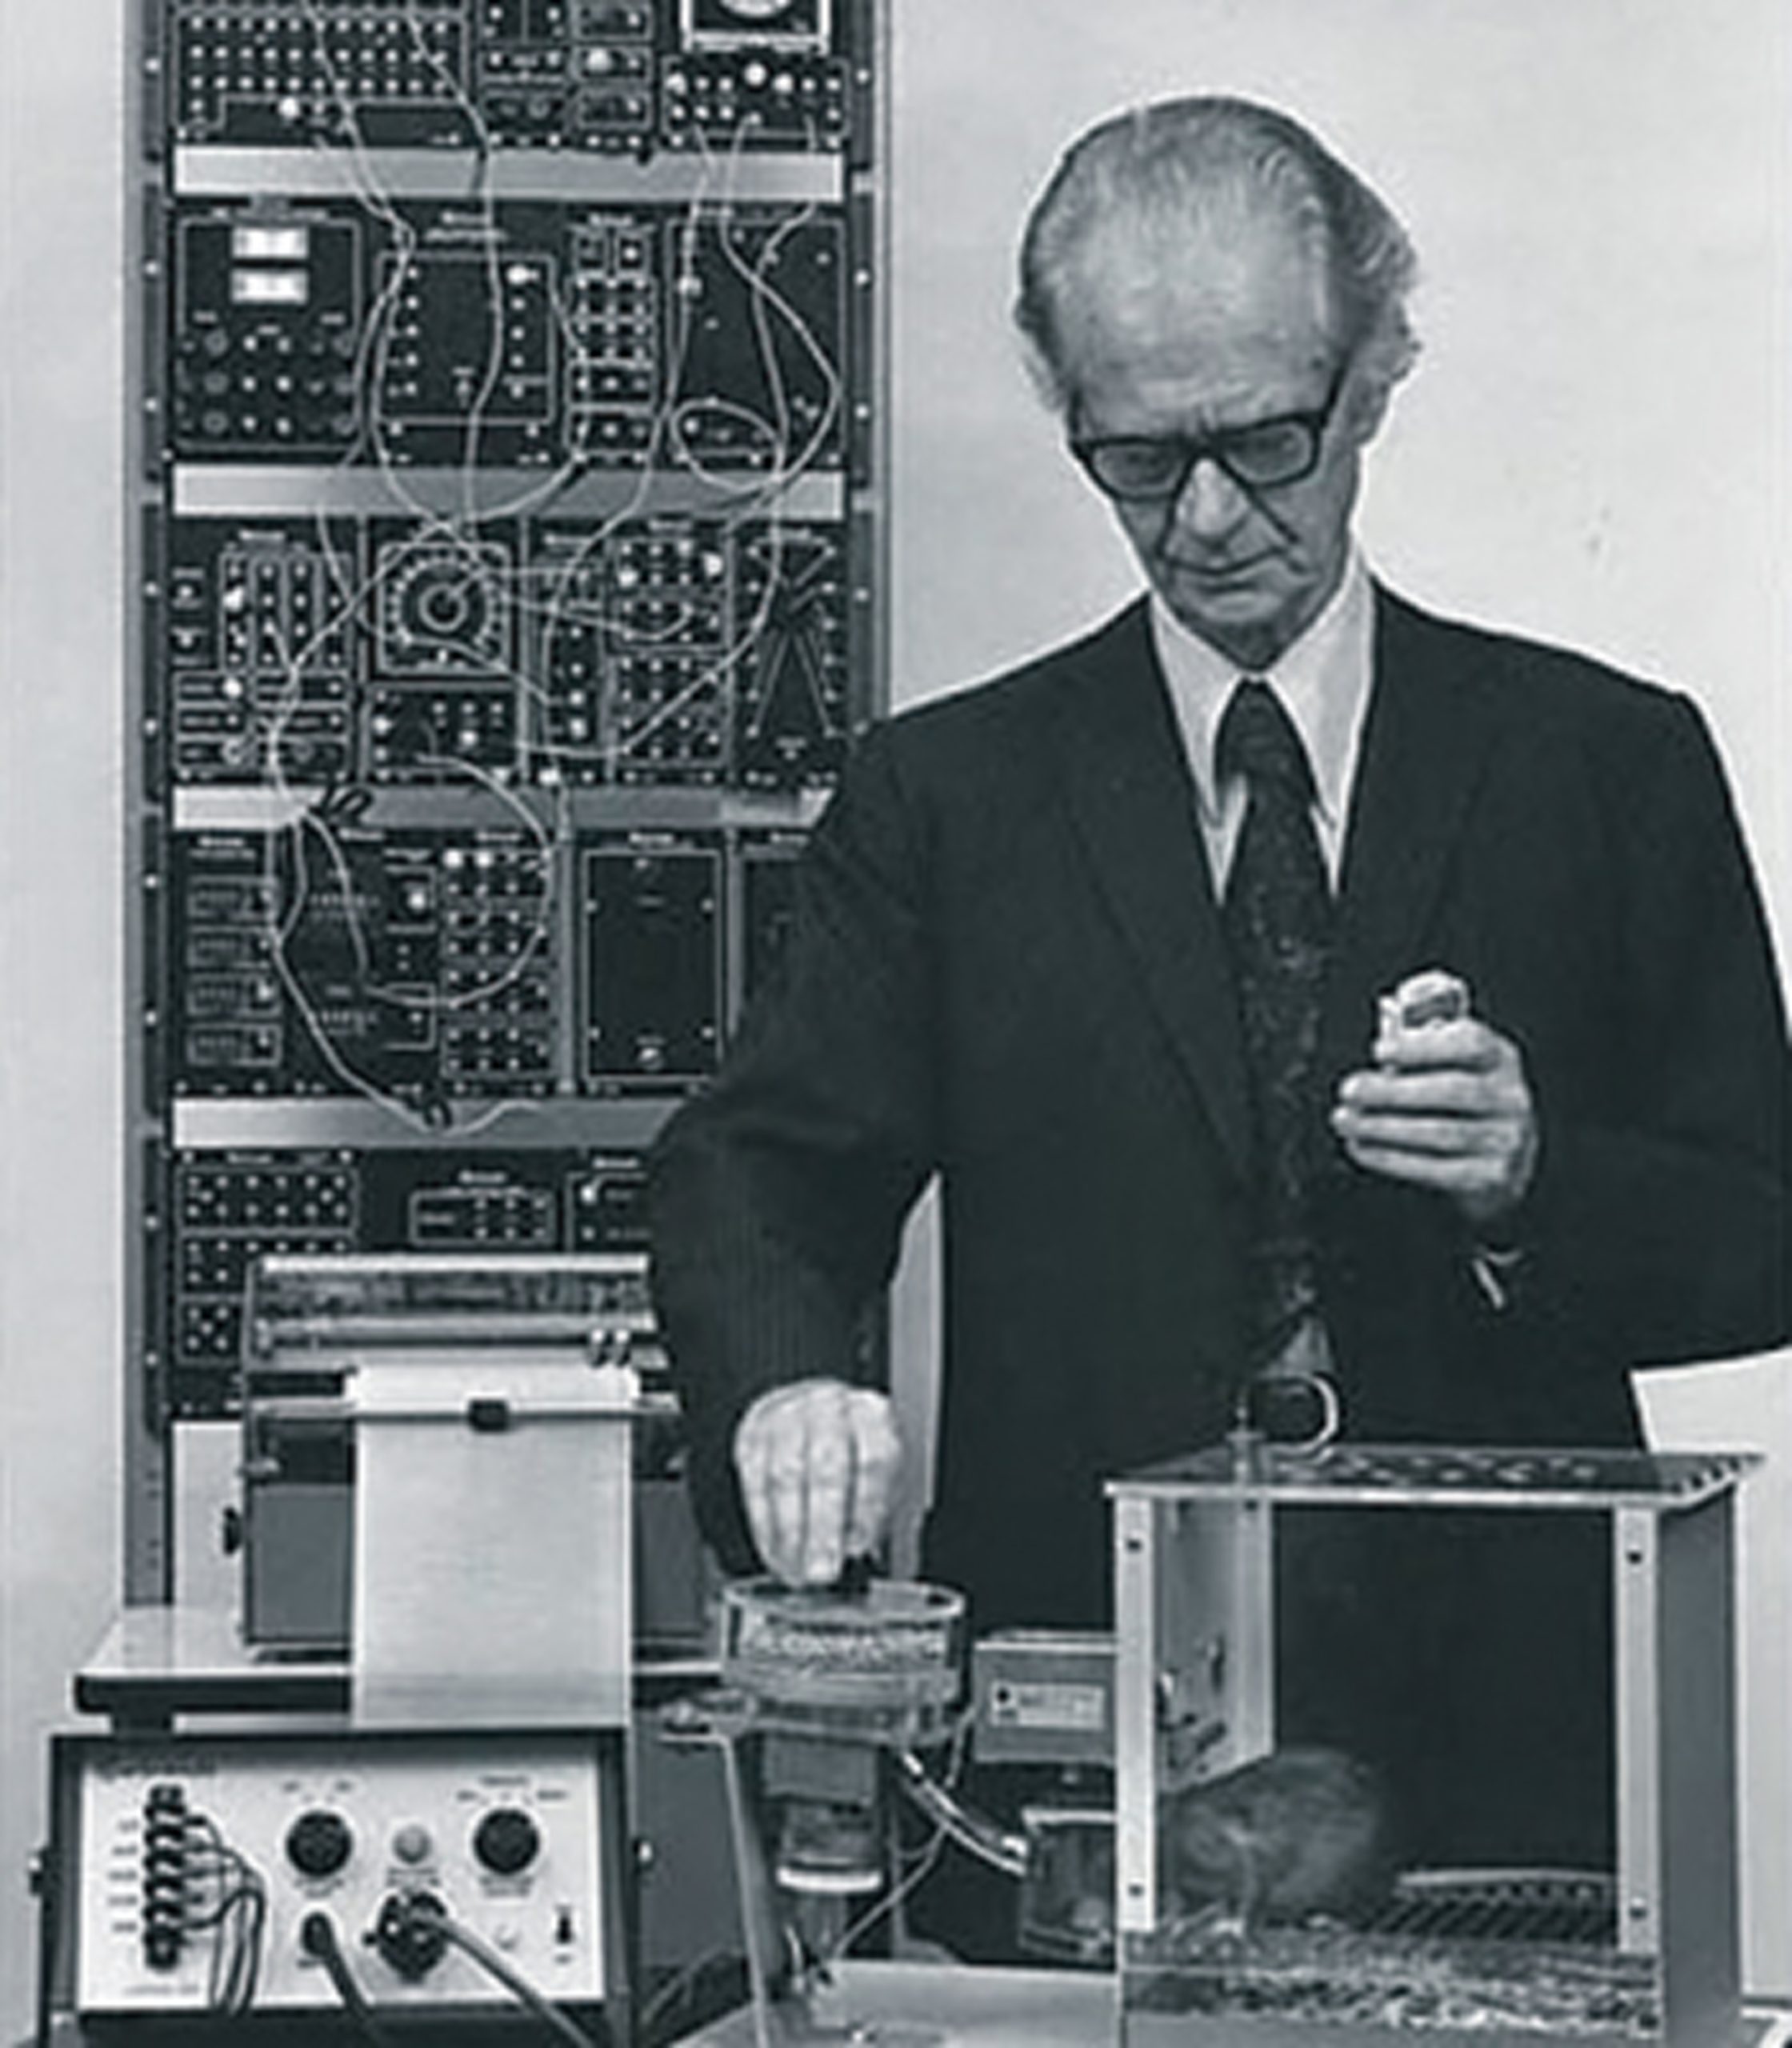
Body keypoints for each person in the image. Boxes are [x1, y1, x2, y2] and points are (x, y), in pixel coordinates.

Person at [649, 95, 1790, 1922]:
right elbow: (762, 1168)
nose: (1202, 518)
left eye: (1264, 440)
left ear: (1375, 374)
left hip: (1502, 1722)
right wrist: (789, 1377)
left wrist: (1530, 1181)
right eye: (1134, 456)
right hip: (1075, 1732)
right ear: (1065, 405)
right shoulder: (943, 800)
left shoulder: (1608, 766)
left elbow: (1759, 1230)